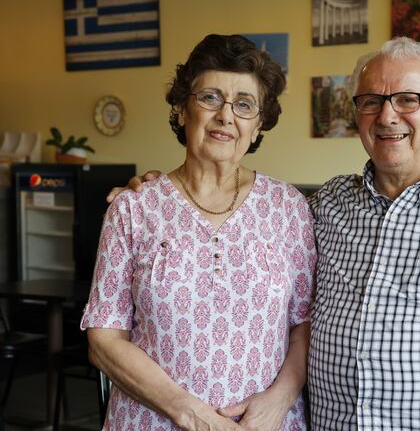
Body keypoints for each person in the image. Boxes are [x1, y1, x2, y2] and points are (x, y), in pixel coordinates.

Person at [112, 37, 420, 430]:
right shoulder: (325, 206)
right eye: (372, 101)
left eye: (408, 100)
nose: (388, 116)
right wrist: (154, 192)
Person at [83, 34, 315, 430]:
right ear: (181, 111)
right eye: (210, 98)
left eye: (244, 104)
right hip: (150, 421)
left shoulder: (290, 208)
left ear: (258, 126)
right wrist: (187, 411)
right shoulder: (134, 208)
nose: (226, 115)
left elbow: (305, 324)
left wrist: (280, 400)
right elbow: (104, 338)